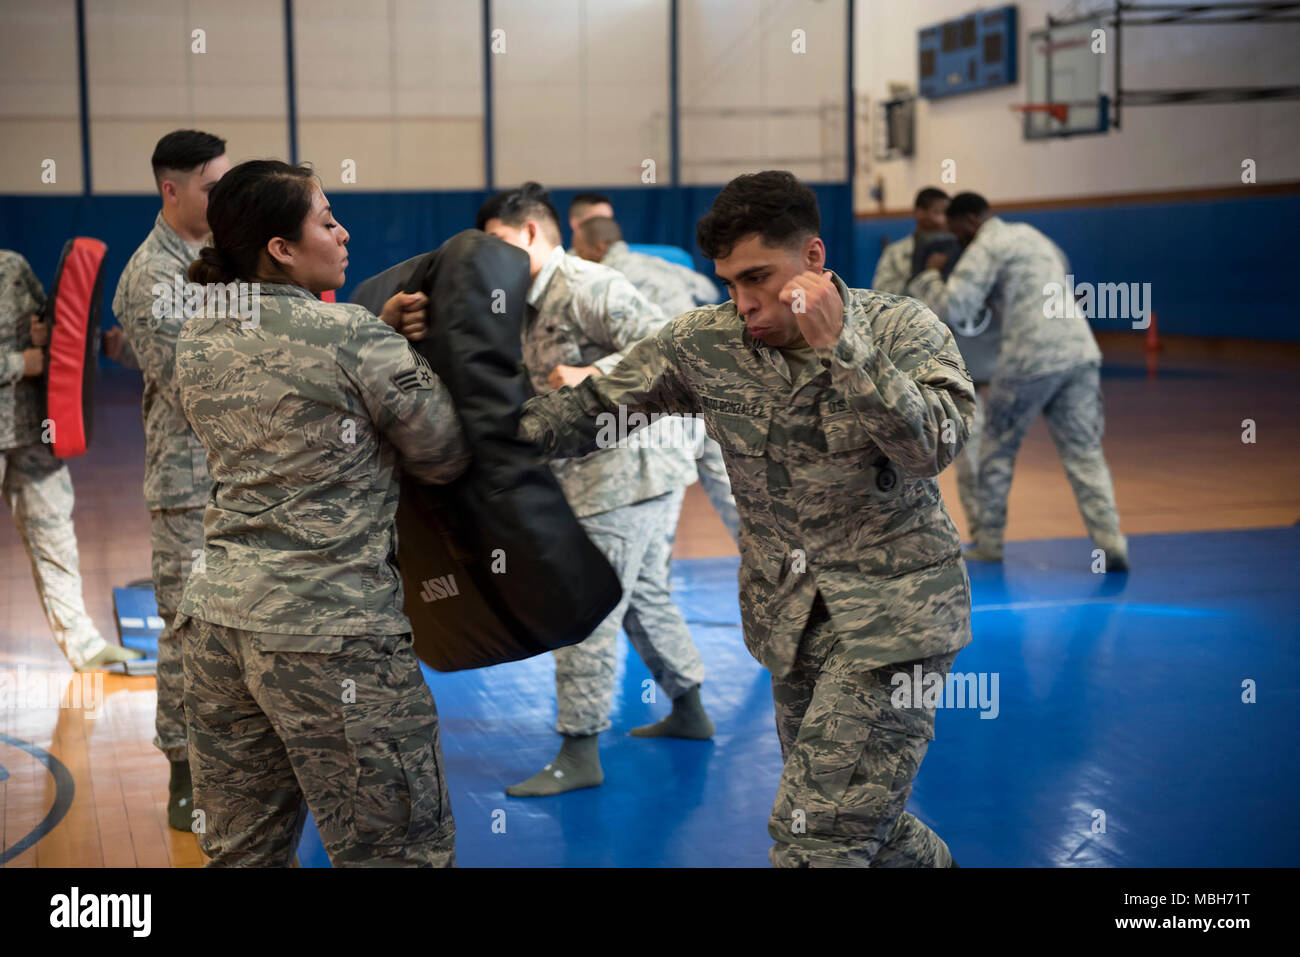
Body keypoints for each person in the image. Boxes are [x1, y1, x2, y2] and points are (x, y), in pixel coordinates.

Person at [519, 170, 975, 867]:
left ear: (814, 259)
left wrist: (843, 350)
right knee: (855, 823)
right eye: (731, 282)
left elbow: (932, 446)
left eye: (760, 277)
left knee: (816, 838)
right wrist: (449, 427)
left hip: (895, 619)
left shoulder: (900, 327)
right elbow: (587, 412)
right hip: (789, 622)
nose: (746, 302)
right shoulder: (708, 343)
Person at [174, 160, 468, 866]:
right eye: (325, 219)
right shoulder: (355, 341)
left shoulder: (199, 334)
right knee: (400, 852)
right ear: (280, 246)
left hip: (217, 629)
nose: (343, 232)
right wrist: (395, 349)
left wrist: (370, 331)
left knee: (242, 854)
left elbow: (286, 362)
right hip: (331, 632)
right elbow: (442, 451)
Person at [477, 182, 713, 798]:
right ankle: (690, 706)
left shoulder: (587, 284)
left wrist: (593, 373)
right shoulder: (523, 298)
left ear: (531, 233)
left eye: (499, 244)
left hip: (630, 470)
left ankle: (580, 748)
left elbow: (669, 345)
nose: (491, 260)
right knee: (641, 595)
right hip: (601, 469)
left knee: (585, 601)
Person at [906, 192, 1128, 570]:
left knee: (996, 448)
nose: (960, 243)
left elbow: (954, 308)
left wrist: (928, 275)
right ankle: (1110, 542)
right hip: (1079, 350)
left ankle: (991, 542)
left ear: (972, 221)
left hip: (1030, 358)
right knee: (1085, 453)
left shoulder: (986, 244)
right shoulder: (1033, 235)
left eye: (961, 235)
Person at [111, 129, 230, 830]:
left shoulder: (219, 256)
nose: (224, 197)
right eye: (213, 187)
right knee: (186, 630)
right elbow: (195, 382)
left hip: (239, 476)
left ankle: (236, 759)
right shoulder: (150, 277)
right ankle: (182, 776)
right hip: (188, 484)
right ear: (172, 190)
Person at [1, 251, 133, 671]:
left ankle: (85, 646)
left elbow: (53, 321)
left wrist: (42, 332)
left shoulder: (12, 266)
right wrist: (20, 362)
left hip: (28, 431)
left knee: (55, 534)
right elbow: (29, 357)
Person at [574, 215, 739, 542]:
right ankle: (777, 573)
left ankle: (656, 585)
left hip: (666, 398)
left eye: (578, 250)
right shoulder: (663, 264)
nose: (575, 256)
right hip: (707, 387)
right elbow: (707, 289)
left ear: (597, 247)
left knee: (661, 509)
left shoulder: (602, 279)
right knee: (732, 494)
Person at [871, 187, 950, 295]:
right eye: (938, 213)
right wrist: (923, 276)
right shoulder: (896, 252)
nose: (943, 220)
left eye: (947, 214)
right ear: (920, 212)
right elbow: (880, 292)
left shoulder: (955, 249)